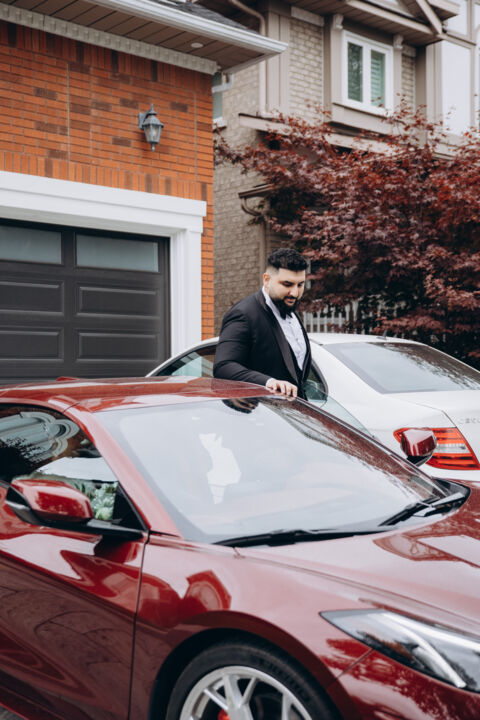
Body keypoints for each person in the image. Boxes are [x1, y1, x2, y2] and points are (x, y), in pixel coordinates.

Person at [213, 248, 311, 398]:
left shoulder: (291, 311)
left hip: (294, 410)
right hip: (260, 409)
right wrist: (268, 382)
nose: (295, 293)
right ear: (266, 280)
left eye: (300, 285)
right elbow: (223, 366)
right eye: (287, 284)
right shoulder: (243, 314)